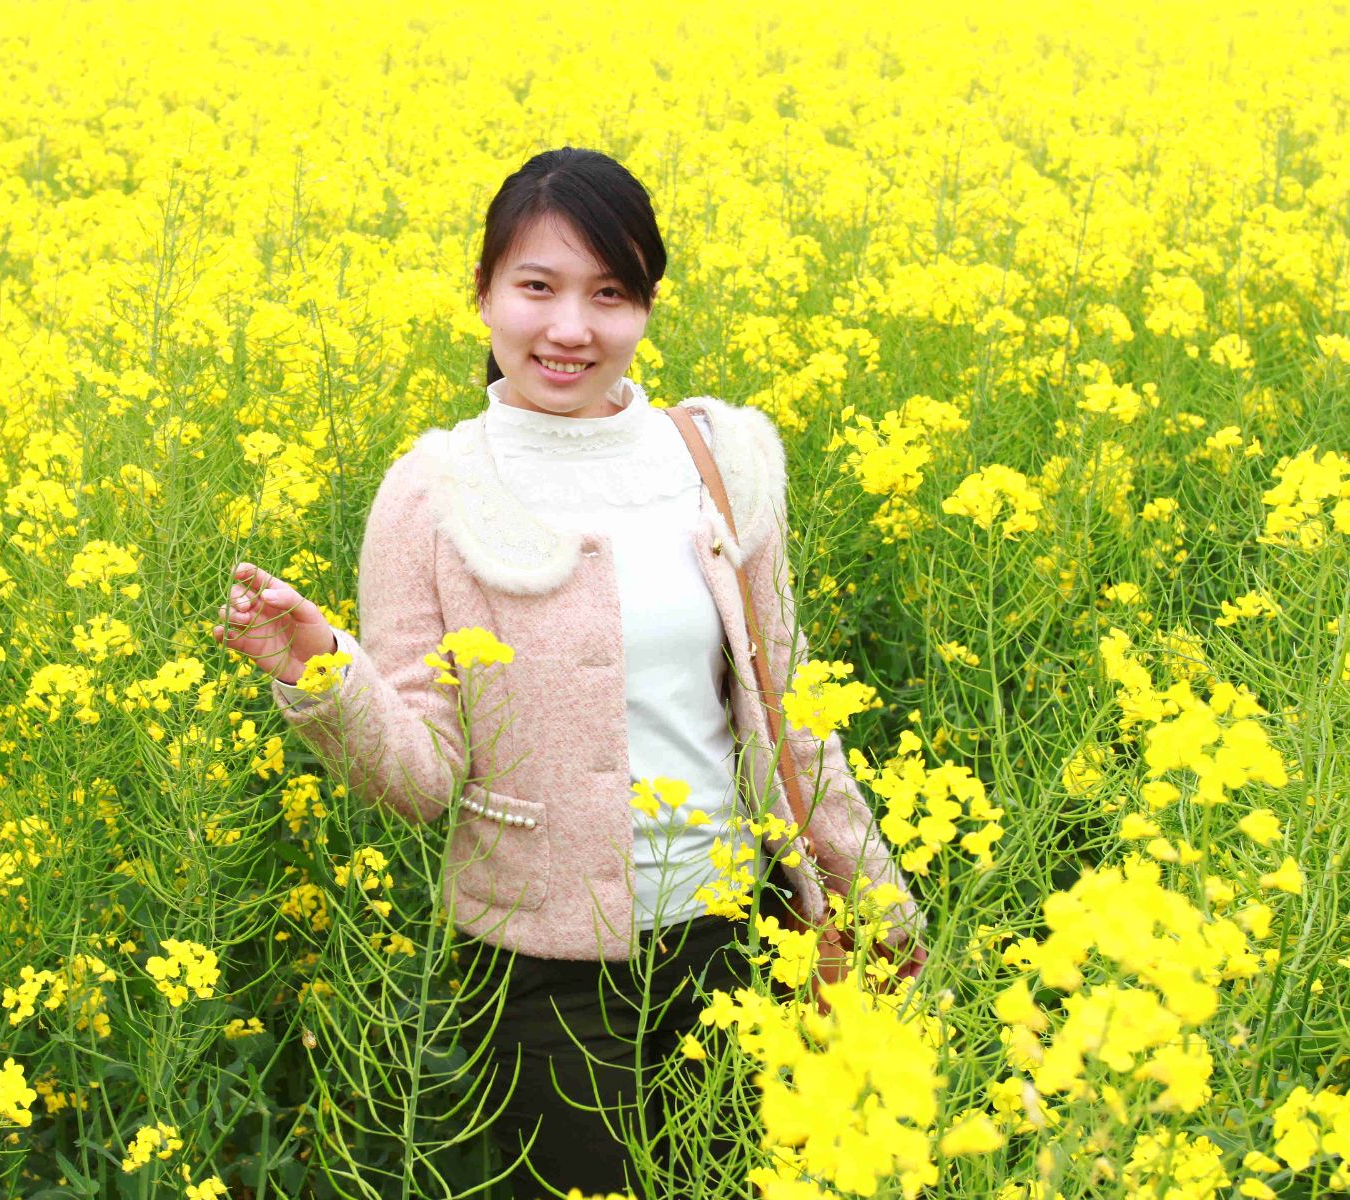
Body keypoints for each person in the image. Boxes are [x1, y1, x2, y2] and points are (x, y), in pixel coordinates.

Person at [211, 146, 923, 1198]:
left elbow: (791, 716)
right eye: (537, 287)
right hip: (540, 970)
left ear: (647, 307)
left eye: (609, 294)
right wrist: (325, 671)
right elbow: (420, 781)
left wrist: (879, 904)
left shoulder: (719, 463)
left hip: (741, 939)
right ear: (484, 293)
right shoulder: (432, 494)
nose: (570, 328)